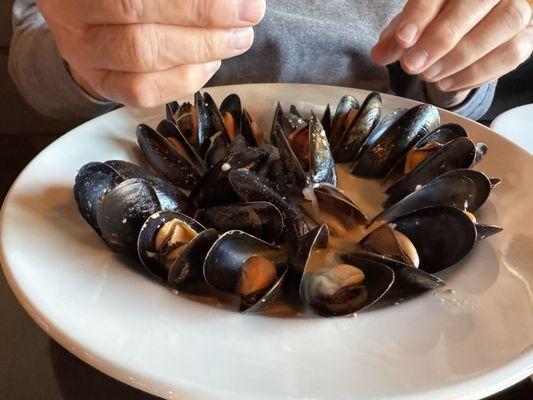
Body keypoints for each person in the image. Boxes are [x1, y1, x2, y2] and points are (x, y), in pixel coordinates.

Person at [9, 0, 533, 122]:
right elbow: (34, 49)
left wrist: (459, 72)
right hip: (139, 142)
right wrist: (87, 63)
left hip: (370, 169)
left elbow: (449, 95)